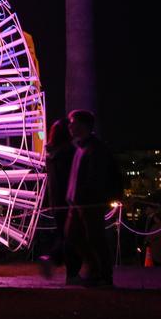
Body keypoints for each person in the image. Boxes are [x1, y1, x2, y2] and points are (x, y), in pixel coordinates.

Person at [64, 109, 122, 287]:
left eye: (73, 123)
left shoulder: (94, 149)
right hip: (78, 202)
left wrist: (84, 195)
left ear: (83, 125)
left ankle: (103, 275)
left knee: (94, 238)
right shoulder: (83, 147)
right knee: (74, 236)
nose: (70, 126)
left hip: (89, 203)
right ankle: (96, 270)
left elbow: (94, 178)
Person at [41, 118, 77, 280]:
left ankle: (55, 260)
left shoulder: (51, 154)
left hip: (56, 200)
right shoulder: (69, 153)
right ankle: (69, 270)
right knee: (73, 237)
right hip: (69, 200)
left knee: (65, 234)